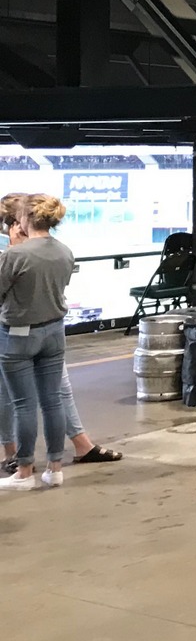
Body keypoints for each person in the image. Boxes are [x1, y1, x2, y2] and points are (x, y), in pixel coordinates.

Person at [0, 193, 74, 491]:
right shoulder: (65, 251)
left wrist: (13, 248)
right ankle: (55, 468)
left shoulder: (15, 255)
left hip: (18, 334)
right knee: (52, 400)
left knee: (24, 405)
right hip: (54, 331)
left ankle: (24, 471)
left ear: (26, 219)